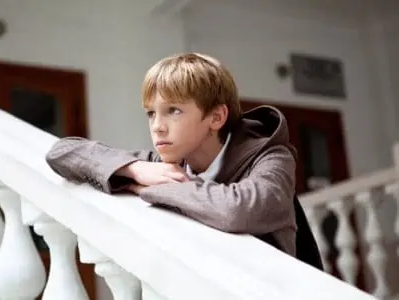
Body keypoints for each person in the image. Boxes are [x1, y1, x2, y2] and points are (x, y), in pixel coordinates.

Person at [45, 53, 322, 267]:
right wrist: (135, 168)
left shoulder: (271, 156)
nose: (157, 126)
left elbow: (238, 210)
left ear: (216, 117)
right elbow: (61, 153)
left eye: (173, 111)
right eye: (151, 113)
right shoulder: (160, 163)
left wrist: (151, 189)